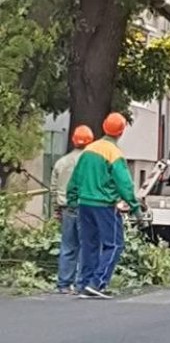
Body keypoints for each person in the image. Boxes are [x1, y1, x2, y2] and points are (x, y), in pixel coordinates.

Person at [67, 112, 142, 299]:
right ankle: (97, 283)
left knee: (89, 244)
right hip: (104, 205)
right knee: (114, 244)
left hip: (84, 204)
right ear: (121, 132)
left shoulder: (89, 150)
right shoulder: (114, 153)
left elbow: (75, 178)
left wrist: (71, 200)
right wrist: (135, 207)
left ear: (103, 126)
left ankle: (84, 283)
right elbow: (124, 183)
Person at [51, 124, 95, 294]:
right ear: (91, 140)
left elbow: (53, 188)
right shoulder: (92, 161)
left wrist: (56, 209)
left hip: (66, 208)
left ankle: (63, 284)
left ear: (73, 140)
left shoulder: (61, 162)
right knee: (87, 246)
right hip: (86, 207)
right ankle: (82, 283)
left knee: (68, 246)